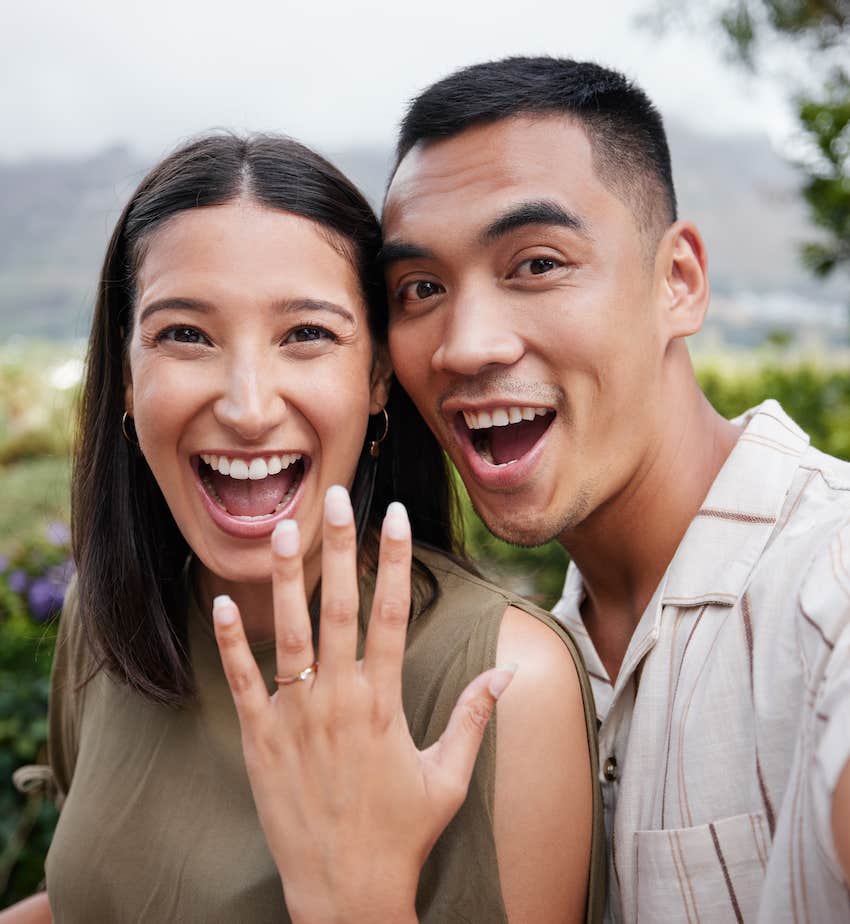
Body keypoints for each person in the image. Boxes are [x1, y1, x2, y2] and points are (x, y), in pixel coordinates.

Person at [0, 132, 605, 924]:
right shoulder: (109, 617)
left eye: (307, 335)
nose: (248, 408)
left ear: (378, 375)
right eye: (186, 335)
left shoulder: (499, 684)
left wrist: (353, 897)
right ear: (126, 374)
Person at [377, 56, 850, 922]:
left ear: (679, 282)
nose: (466, 345)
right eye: (421, 288)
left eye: (537, 264)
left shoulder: (827, 586)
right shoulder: (516, 666)